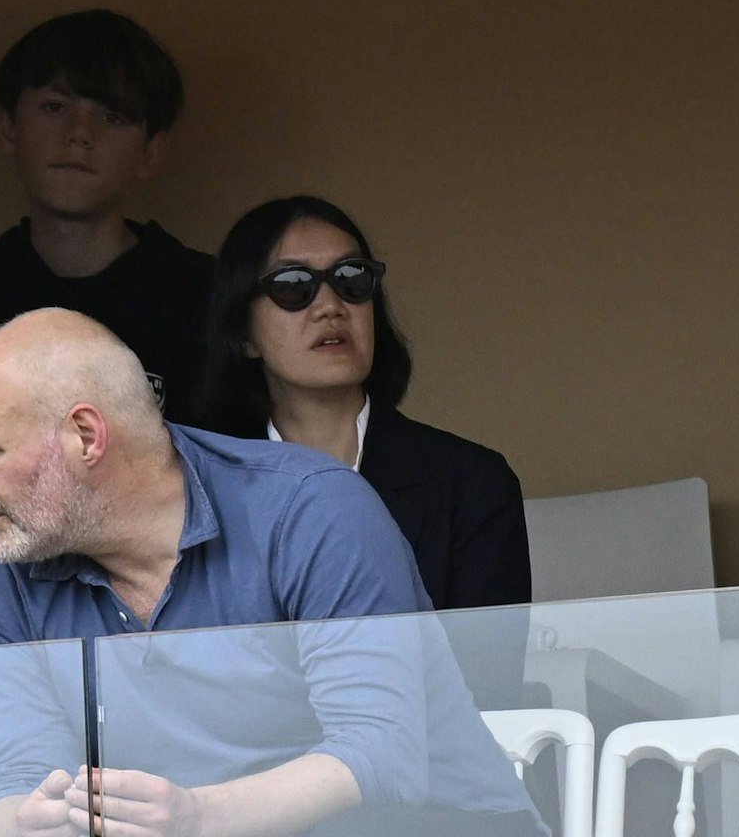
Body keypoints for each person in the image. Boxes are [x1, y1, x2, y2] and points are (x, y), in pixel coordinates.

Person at [0, 309, 567, 837]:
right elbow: (1, 786)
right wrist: (33, 831)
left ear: (86, 436)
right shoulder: (10, 574)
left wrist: (193, 820)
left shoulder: (309, 507)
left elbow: (381, 757)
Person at [190, 195, 531, 707]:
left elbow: (487, 696)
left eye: (352, 278)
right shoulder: (201, 493)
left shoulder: (473, 483)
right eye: (293, 286)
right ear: (243, 334)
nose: (331, 305)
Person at [0, 9, 211, 418]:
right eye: (54, 107)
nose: (79, 134)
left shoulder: (210, 303)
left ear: (150, 151)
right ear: (8, 127)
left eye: (112, 116)